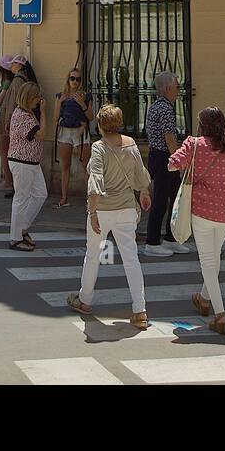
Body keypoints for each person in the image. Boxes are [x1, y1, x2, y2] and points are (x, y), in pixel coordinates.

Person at [168, 107, 225, 335]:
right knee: (214, 259)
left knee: (208, 262)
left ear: (203, 125)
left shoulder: (194, 144)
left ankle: (220, 315)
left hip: (202, 213)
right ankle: (204, 299)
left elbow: (174, 163)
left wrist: (178, 165)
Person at [67, 103, 152, 328]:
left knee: (93, 254)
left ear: (101, 125)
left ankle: (85, 299)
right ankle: (140, 309)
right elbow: (140, 173)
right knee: (131, 258)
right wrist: (143, 192)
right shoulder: (131, 144)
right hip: (125, 207)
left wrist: (92, 211)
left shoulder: (99, 147)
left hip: (103, 209)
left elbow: (95, 182)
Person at [144, 71, 189, 255]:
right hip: (164, 158)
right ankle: (152, 242)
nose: (179, 90)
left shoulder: (157, 106)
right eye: (177, 86)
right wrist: (179, 160)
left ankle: (171, 238)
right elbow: (170, 138)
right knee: (162, 201)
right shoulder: (165, 109)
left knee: (173, 198)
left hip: (158, 156)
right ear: (168, 88)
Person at [8, 81, 48, 251]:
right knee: (21, 198)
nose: (38, 100)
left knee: (40, 194)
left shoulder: (27, 113)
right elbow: (41, 134)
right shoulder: (22, 116)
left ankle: (22, 228)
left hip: (31, 162)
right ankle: (15, 237)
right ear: (29, 97)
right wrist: (44, 112)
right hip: (22, 162)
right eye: (36, 97)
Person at [53, 69, 94, 206]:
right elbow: (55, 117)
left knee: (86, 165)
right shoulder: (60, 95)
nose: (75, 82)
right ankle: (64, 198)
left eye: (78, 79)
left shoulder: (86, 96)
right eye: (72, 78)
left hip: (81, 132)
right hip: (65, 132)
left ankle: (92, 198)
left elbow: (90, 117)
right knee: (65, 166)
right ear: (68, 79)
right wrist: (60, 102)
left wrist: (82, 104)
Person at [0, 55, 30, 195]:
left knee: (7, 152)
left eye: (13, 64)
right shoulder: (18, 80)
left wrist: (8, 121)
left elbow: (12, 104)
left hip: (10, 123)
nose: (11, 67)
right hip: (12, 122)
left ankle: (11, 182)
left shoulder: (16, 81)